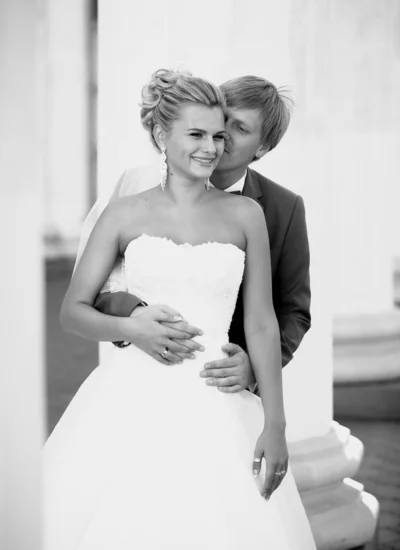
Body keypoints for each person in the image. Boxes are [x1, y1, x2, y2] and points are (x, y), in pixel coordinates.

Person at [44, 69, 320, 550]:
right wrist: (132, 325)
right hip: (130, 393)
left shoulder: (254, 214)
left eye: (227, 134)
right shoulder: (127, 204)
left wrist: (274, 419)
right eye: (204, 132)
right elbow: (78, 306)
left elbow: (268, 319)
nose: (215, 145)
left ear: (260, 147)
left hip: (219, 396)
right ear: (162, 136)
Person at [75, 74, 311, 396]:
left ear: (264, 147)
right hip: (139, 372)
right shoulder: (136, 186)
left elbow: (292, 310)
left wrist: (254, 368)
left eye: (239, 128)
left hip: (221, 387)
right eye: (221, 120)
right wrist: (133, 313)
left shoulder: (282, 209)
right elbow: (91, 289)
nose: (221, 136)